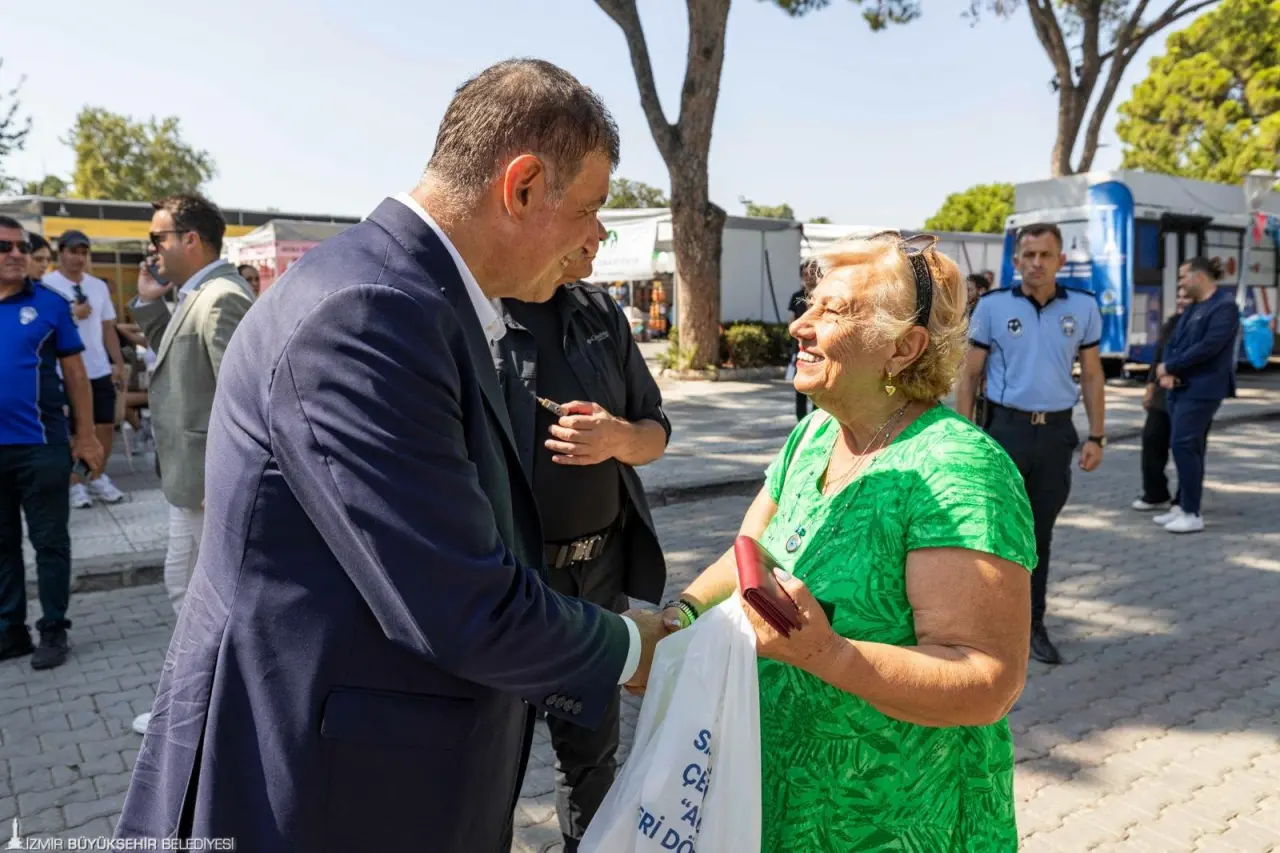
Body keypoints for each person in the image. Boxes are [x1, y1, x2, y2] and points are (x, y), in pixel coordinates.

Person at [115, 59, 664, 852]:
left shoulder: (409, 293)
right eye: (587, 210)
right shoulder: (369, 312)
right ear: (521, 187)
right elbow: (463, 601)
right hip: (322, 788)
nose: (595, 238)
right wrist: (631, 645)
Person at [662, 232, 1036, 851]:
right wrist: (678, 618)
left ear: (903, 347)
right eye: (808, 305)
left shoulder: (960, 469)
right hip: (780, 799)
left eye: (831, 312)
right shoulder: (812, 437)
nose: (799, 326)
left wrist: (828, 654)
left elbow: (988, 681)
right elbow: (750, 550)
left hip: (898, 816)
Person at [502, 241, 671, 852]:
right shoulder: (475, 315)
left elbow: (655, 434)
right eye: (586, 210)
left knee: (591, 760)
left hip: (596, 578)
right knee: (491, 764)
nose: (598, 234)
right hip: (509, 585)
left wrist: (617, 437)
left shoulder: (600, 313)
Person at [126, 194, 256, 736]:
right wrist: (147, 300)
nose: (150, 249)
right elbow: (171, 349)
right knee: (191, 592)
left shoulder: (222, 296)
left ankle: (210, 706)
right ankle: (204, 701)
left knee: (194, 594)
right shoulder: (197, 293)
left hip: (208, 482)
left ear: (190, 240)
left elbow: (244, 397)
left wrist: (225, 475)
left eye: (157, 238)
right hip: (192, 480)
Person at [955, 223, 1106, 666]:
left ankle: (1031, 624)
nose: (1036, 263)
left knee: (1039, 535)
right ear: (1016, 260)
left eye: (1045, 255)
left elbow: (1093, 375)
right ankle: (980, 624)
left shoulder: (1083, 307)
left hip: (1057, 433)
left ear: (1060, 260)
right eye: (1028, 255)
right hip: (1006, 431)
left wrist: (1096, 434)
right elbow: (968, 375)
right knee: (993, 530)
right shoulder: (993, 306)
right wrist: (964, 437)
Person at [0, 219, 104, 669]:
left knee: (49, 542)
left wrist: (86, 437)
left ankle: (54, 629)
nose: (17, 253)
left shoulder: (50, 303)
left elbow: (76, 376)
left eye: (22, 246)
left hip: (40, 445)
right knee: (2, 545)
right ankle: (11, 631)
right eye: (5, 247)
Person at [1153, 257, 1240, 534]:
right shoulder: (1195, 308)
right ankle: (1181, 506)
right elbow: (1174, 342)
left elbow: (1208, 347)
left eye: (1182, 277)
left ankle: (1192, 513)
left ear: (1199, 277)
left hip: (1203, 390)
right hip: (1179, 387)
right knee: (1186, 447)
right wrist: (1164, 370)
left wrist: (1172, 366)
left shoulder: (1225, 307)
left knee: (1184, 445)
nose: (1180, 283)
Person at [41, 229, 127, 508]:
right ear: (60, 253)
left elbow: (107, 327)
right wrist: (71, 316)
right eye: (72, 252)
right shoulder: (46, 285)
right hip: (61, 370)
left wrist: (118, 361)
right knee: (70, 429)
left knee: (104, 424)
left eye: (83, 253)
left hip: (98, 366)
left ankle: (97, 475)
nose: (78, 258)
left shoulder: (97, 286)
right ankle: (74, 482)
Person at [1133, 286, 1195, 512]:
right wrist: (1150, 387)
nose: (1181, 300)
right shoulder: (1171, 323)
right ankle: (1155, 492)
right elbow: (1159, 357)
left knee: (1185, 448)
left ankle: (1183, 500)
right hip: (1162, 394)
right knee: (1152, 440)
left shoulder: (1202, 324)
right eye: (1178, 295)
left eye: (1186, 296)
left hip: (1188, 393)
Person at [788, 263, 818, 421]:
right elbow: (791, 320)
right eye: (805, 274)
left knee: (817, 386)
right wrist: (798, 338)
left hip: (818, 347)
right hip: (799, 347)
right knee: (800, 384)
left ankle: (816, 417)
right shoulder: (796, 297)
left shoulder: (821, 296)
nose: (808, 277)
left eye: (811, 274)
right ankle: (801, 420)